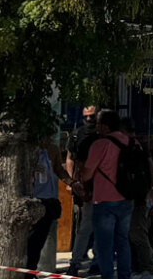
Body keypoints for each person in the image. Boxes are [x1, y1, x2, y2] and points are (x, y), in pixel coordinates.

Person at [82, 110, 132, 279]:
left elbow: (87, 174)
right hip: (126, 199)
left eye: (97, 123)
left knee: (105, 245)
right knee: (123, 242)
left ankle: (108, 276)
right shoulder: (131, 142)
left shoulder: (100, 144)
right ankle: (125, 276)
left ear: (103, 126)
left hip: (104, 200)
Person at [28, 133, 72, 274]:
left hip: (48, 199)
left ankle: (31, 270)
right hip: (33, 198)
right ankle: (27, 269)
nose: (46, 140)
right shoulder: (28, 149)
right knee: (30, 240)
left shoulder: (53, 149)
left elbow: (58, 169)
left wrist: (71, 183)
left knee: (40, 240)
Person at [120, 119, 153, 279]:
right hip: (136, 195)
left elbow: (150, 168)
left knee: (136, 232)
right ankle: (138, 265)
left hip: (136, 196)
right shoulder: (140, 145)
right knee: (132, 233)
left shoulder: (134, 146)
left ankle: (147, 265)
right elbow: (151, 167)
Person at [66, 105, 100, 277]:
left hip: (101, 188)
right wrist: (71, 181)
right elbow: (70, 158)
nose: (89, 120)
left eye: (92, 116)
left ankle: (95, 261)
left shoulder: (103, 135)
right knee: (85, 226)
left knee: (99, 227)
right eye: (86, 116)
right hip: (84, 187)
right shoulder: (77, 134)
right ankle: (76, 262)